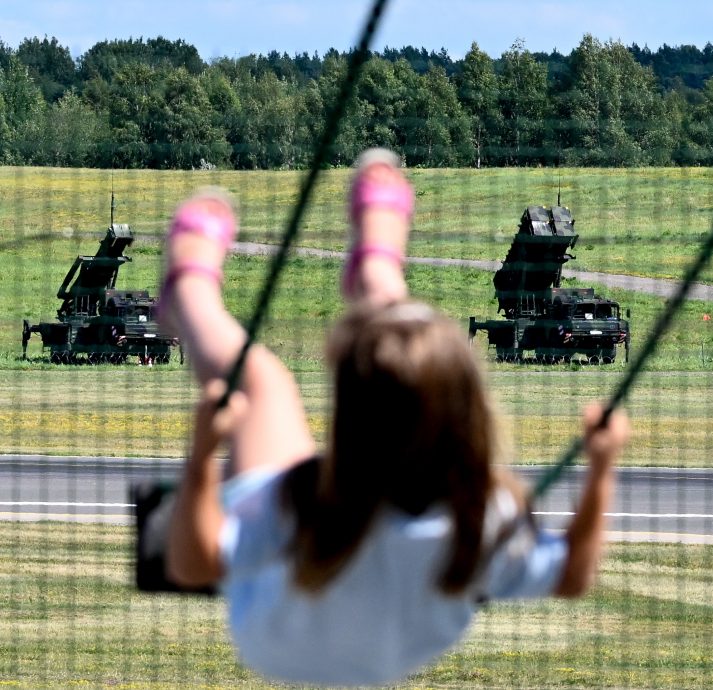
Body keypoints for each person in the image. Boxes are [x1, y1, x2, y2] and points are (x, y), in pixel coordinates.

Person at [161, 148, 630, 687]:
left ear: (348, 418)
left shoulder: (307, 502)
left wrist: (200, 458)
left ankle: (189, 292)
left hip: (274, 637)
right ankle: (376, 274)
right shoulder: (481, 515)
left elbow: (190, 564)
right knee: (401, 360)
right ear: (469, 418)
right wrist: (601, 468)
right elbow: (573, 575)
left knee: (265, 384)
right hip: (398, 650)